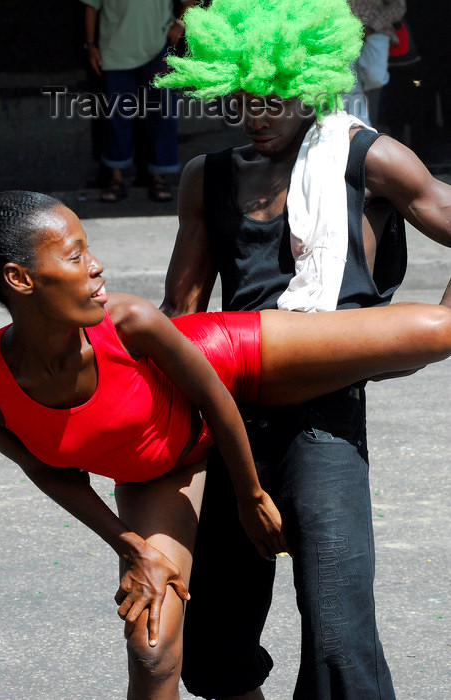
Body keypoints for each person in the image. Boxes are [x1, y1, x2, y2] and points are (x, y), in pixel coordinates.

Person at [0, 190, 451, 698]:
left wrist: (251, 498)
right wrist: (132, 546)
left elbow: (219, 403)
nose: (97, 266)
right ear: (19, 278)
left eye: (89, 249)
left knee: (436, 334)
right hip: (162, 474)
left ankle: (372, 216)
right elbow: (46, 468)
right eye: (76, 256)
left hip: (233, 357)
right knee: (152, 648)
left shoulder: (129, 321)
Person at [155, 0, 451, 698]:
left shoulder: (365, 156)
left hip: (324, 424)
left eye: (275, 98)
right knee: (215, 639)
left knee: (341, 639)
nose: (256, 113)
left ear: (313, 82)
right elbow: (182, 311)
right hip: (228, 411)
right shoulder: (210, 176)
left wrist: (428, 327)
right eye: (245, 98)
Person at [81, 0, 196, 203]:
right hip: (114, 51)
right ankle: (116, 178)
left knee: (162, 113)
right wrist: (90, 45)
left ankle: (159, 176)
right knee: (116, 115)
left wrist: (179, 25)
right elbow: (91, 6)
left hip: (158, 49)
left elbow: (190, 1)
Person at [345, 0, 407, 125]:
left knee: (375, 76)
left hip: (376, 29)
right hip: (343, 31)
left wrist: (371, 26)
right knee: (350, 82)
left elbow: (398, 7)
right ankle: (361, 129)